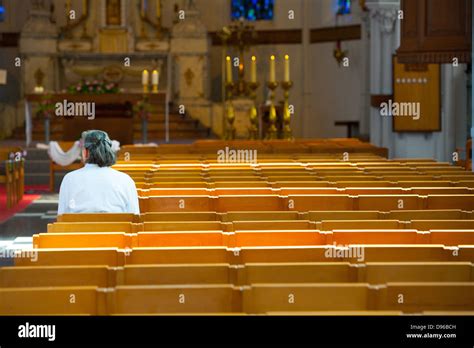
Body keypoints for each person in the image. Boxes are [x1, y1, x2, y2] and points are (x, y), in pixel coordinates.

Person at [58, 130, 139, 215]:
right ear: (109, 151)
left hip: (79, 228)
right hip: (115, 228)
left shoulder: (69, 179)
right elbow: (135, 217)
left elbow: (61, 217)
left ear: (85, 152)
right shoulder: (125, 180)